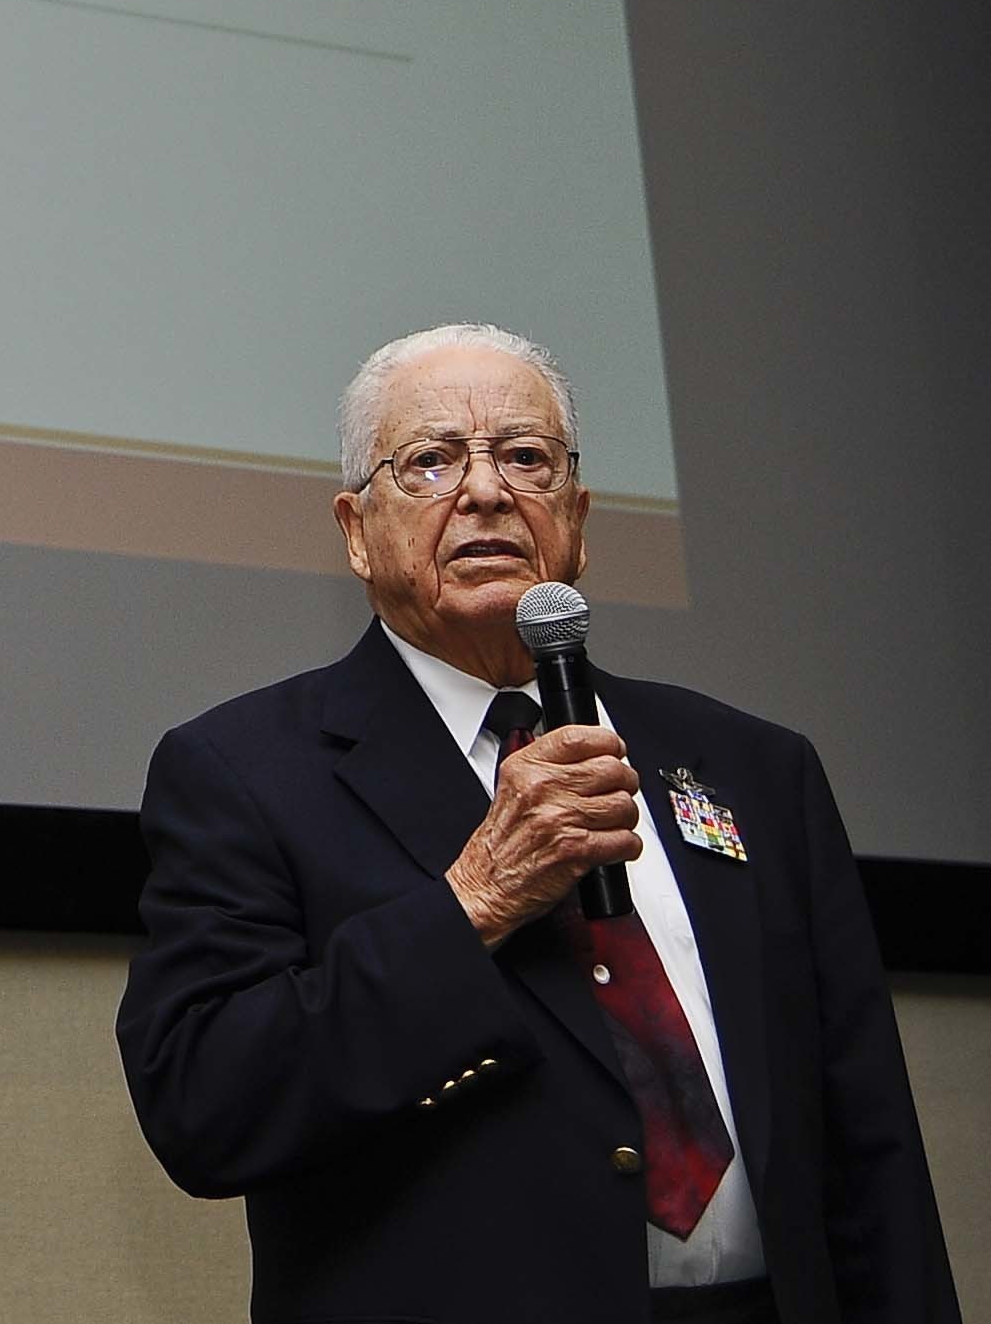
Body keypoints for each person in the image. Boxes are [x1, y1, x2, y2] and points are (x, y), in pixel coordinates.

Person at [119, 324, 959, 1324]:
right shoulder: (246, 772)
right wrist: (475, 898)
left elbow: (871, 1146)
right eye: (430, 461)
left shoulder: (753, 767)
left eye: (526, 457)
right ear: (356, 528)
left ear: (579, 516)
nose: (485, 491)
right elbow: (208, 1106)